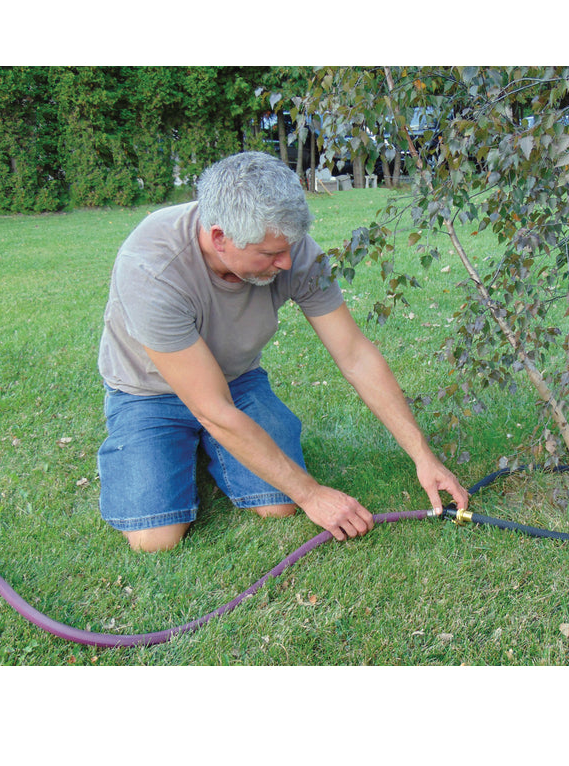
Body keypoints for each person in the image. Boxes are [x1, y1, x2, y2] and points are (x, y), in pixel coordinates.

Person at [97, 151, 468, 552]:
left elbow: (355, 355)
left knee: (280, 506)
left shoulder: (291, 248)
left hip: (236, 382)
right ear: (220, 238)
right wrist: (313, 495)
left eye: (290, 246)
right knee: (154, 540)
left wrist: (423, 457)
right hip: (149, 395)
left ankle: (217, 446)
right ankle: (179, 445)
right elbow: (213, 411)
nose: (287, 261)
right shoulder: (152, 269)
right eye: (270, 254)